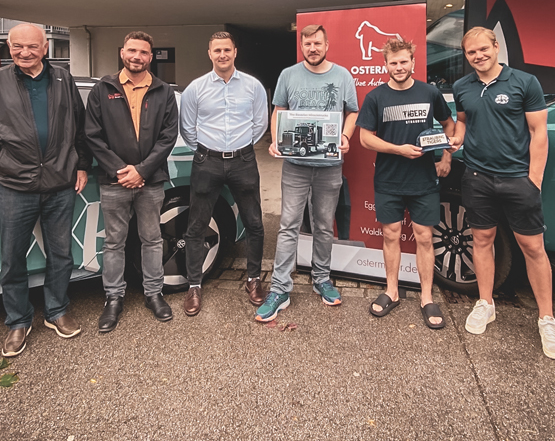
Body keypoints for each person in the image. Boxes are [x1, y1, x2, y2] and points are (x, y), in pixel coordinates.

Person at [0, 23, 90, 357]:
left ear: (45, 48)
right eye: (17, 47)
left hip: (59, 184)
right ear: (8, 46)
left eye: (32, 47)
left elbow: (79, 128)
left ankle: (57, 311)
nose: (24, 53)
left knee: (61, 254)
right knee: (11, 259)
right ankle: (18, 321)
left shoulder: (64, 81)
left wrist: (82, 165)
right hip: (12, 185)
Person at [448, 26, 555, 359]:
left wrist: (534, 180)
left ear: (496, 47)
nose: (478, 56)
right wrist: (456, 139)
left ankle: (547, 319)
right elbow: (463, 122)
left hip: (517, 179)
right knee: (482, 240)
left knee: (532, 247)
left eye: (483, 49)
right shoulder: (461, 87)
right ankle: (486, 303)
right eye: (471, 52)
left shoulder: (524, 82)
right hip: (476, 177)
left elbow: (538, 132)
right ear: (466, 55)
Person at [255, 24, 358, 322]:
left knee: (324, 225)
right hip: (296, 167)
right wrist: (275, 140)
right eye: (307, 44)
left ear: (327, 44)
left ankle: (322, 279)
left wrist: (347, 136)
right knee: (288, 226)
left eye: (317, 43)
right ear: (301, 46)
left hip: (329, 166)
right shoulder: (288, 74)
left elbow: (352, 111)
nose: (312, 48)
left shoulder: (342, 76)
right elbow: (278, 111)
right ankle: (279, 289)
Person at [356, 38, 454, 328]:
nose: (398, 67)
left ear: (412, 62)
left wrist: (446, 156)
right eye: (393, 62)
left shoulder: (430, 92)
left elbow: (449, 126)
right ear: (385, 65)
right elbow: (364, 138)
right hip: (389, 179)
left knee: (424, 237)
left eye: (403, 62)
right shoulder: (376, 97)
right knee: (391, 235)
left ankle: (426, 297)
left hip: (424, 179)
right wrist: (398, 149)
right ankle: (392, 291)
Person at [85, 31, 179, 332]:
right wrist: (120, 170)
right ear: (122, 52)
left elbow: (168, 137)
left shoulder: (163, 91)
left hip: (150, 181)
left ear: (150, 57)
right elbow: (92, 136)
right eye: (132, 50)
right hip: (115, 181)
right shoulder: (102, 88)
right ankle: (113, 298)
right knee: (114, 242)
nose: (137, 56)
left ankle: (154, 293)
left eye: (143, 52)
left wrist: (142, 170)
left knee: (152, 240)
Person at [179, 31, 268, 316]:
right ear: (209, 53)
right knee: (196, 224)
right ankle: (194, 285)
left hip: (243, 160)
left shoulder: (253, 87)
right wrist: (207, 150)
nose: (222, 55)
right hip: (208, 161)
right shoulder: (196, 88)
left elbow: (260, 125)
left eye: (227, 50)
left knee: (254, 222)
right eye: (217, 50)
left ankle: (253, 280)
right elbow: (187, 127)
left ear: (235, 52)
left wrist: (239, 147)